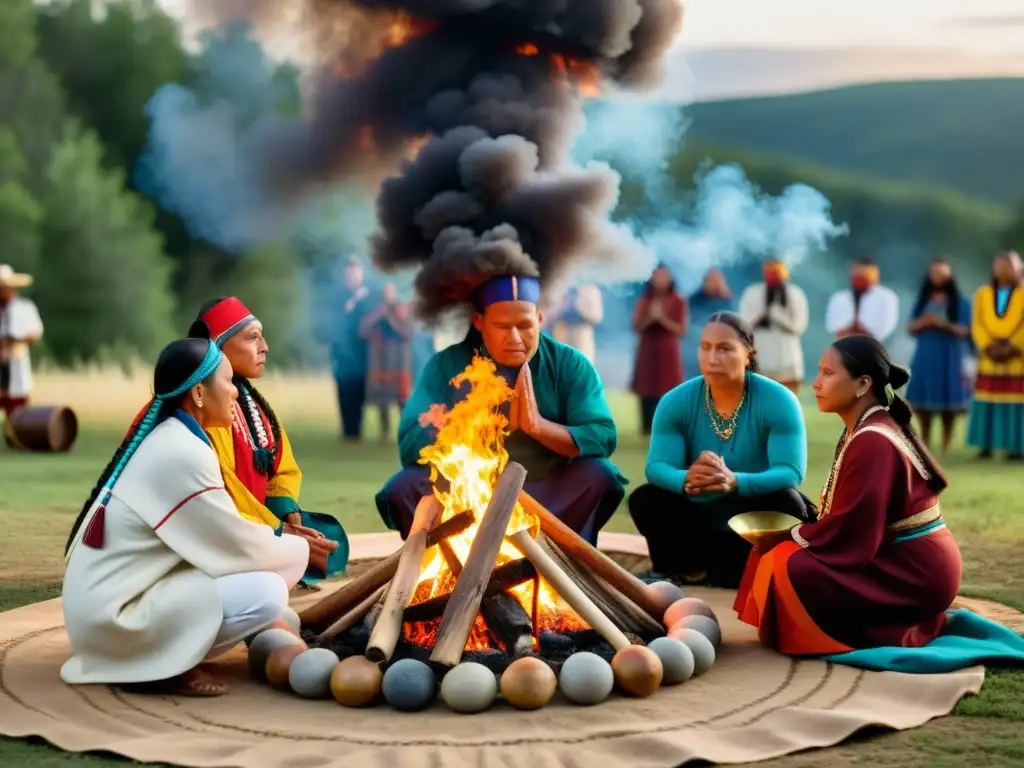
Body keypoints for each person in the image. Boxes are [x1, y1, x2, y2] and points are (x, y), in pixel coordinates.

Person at [61, 338, 310, 696]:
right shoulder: (182, 451)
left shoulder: (175, 438)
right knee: (267, 591)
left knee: (257, 578)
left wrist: (284, 545)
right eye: (228, 382)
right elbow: (231, 542)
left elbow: (217, 539)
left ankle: (163, 653)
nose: (237, 394)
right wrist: (298, 550)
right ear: (197, 393)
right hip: (115, 621)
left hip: (106, 613)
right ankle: (158, 664)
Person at [733, 335, 962, 655]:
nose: (815, 384)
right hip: (898, 557)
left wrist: (794, 534)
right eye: (818, 372)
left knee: (792, 566)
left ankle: (828, 635)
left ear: (862, 384)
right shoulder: (863, 427)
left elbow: (853, 531)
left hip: (914, 573)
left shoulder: (873, 440)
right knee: (776, 555)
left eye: (828, 374)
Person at [376, 272, 625, 545]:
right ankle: (453, 564)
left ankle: (560, 555)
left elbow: (602, 435)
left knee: (599, 475)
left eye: (525, 325)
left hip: (547, 493)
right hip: (466, 493)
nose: (516, 338)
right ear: (480, 322)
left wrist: (537, 427)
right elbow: (411, 441)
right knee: (402, 488)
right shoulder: (446, 365)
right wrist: (470, 424)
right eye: (503, 327)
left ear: (540, 319)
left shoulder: (569, 364)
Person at [628, 311, 812, 588]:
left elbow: (790, 472)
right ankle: (675, 568)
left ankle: (748, 571)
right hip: (697, 520)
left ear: (749, 354)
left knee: (789, 503)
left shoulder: (778, 400)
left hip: (750, 524)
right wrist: (686, 478)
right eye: (706, 347)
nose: (712, 358)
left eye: (724, 348)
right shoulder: (676, 401)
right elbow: (657, 466)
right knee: (646, 498)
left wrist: (735, 481)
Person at [186, 297, 347, 581]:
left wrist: (288, 514)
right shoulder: (206, 407)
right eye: (253, 338)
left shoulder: (252, 403)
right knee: (303, 552)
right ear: (219, 347)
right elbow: (226, 492)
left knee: (331, 540)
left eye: (262, 337)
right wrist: (278, 531)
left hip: (263, 519)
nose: (265, 347)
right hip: (228, 524)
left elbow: (282, 465)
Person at [905, 257, 973, 452]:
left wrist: (943, 324)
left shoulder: (960, 303)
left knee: (948, 402)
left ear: (950, 276)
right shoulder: (922, 301)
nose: (937, 277)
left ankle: (946, 443)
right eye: (934, 273)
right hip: (926, 354)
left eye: (942, 273)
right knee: (923, 402)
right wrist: (925, 322)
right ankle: (924, 439)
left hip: (949, 355)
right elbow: (910, 326)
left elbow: (965, 330)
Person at [966, 251, 1024, 460]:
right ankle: (986, 446)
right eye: (1000, 264)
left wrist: (1014, 347)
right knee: (986, 400)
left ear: (1019, 267)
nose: (1004, 269)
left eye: (1009, 265)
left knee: (1017, 403)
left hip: (1017, 358)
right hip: (989, 357)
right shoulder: (982, 294)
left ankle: (1016, 448)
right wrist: (988, 346)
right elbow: (977, 323)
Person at [738, 258, 810, 394]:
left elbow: (799, 326)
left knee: (788, 397)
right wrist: (761, 315)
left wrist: (777, 315)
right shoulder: (752, 293)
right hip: (761, 354)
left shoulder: (795, 294)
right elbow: (743, 325)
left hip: (787, 356)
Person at [631, 265, 688, 436]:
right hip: (647, 349)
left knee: (669, 387)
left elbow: (681, 330)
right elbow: (636, 326)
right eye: (657, 276)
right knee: (646, 386)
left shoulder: (678, 300)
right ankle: (647, 427)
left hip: (668, 350)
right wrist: (650, 317)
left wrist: (661, 318)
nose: (660, 280)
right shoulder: (644, 300)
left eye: (664, 276)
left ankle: (669, 426)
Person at [326, 256, 373, 442]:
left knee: (359, 392)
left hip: (363, 355)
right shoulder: (337, 298)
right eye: (348, 273)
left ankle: (356, 432)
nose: (352, 277)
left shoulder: (369, 298)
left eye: (355, 272)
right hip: (341, 355)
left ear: (361, 274)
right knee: (344, 392)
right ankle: (348, 432)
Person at [359, 283, 414, 440]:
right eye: (385, 292)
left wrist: (389, 318)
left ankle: (408, 431)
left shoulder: (401, 311)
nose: (388, 295)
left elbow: (408, 333)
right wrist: (378, 315)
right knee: (382, 400)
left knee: (402, 400)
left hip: (398, 362)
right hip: (380, 362)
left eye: (390, 292)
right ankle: (384, 432)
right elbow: (363, 331)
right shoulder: (375, 311)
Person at [0, 264, 44, 418]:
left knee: (17, 407)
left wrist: (18, 340)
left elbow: (36, 331)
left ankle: (13, 435)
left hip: (15, 358)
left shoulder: (24, 307)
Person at [825, 257, 900, 344]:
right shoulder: (839, 298)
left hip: (872, 348)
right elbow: (833, 328)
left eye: (863, 274)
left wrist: (863, 330)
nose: (858, 277)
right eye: (856, 274)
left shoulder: (887, 298)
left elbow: (884, 330)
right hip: (842, 348)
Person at [684, 268, 735, 381]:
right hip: (696, 350)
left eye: (716, 280)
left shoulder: (726, 300)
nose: (712, 284)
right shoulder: (694, 300)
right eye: (709, 280)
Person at [546, 284, 604, 363]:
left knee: (582, 366)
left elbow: (596, 316)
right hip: (561, 329)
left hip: (582, 331)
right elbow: (547, 316)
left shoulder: (590, 289)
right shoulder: (556, 286)